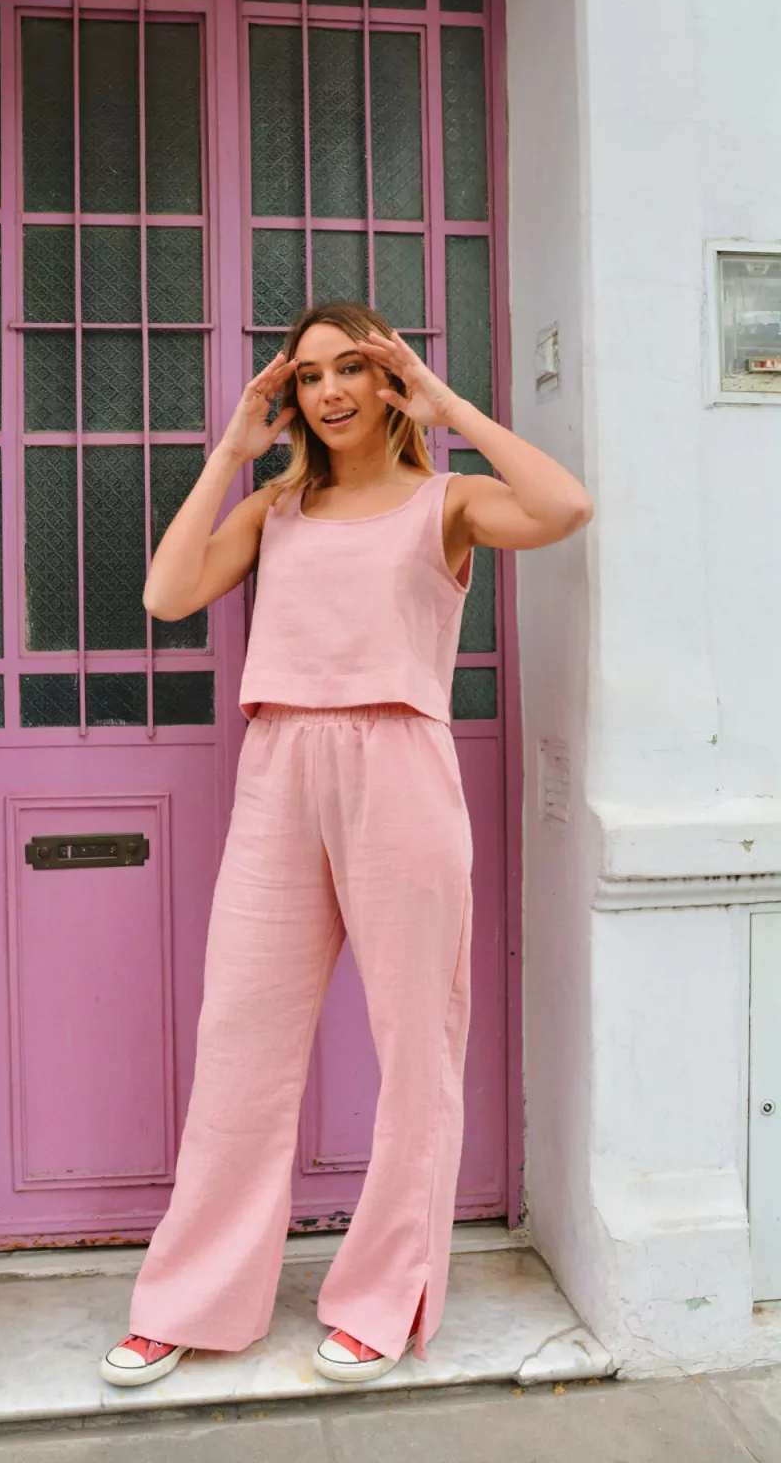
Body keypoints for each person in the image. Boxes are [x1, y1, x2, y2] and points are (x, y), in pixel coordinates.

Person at [100, 301, 593, 1389]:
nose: (327, 391)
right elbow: (167, 593)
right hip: (279, 765)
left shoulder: (445, 503)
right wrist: (231, 451)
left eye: (350, 370)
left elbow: (565, 505)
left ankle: (381, 1298)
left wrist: (452, 410)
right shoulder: (277, 508)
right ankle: (187, 1299)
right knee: (241, 1037)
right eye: (308, 375)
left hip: (399, 768)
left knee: (416, 1043)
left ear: (387, 383)